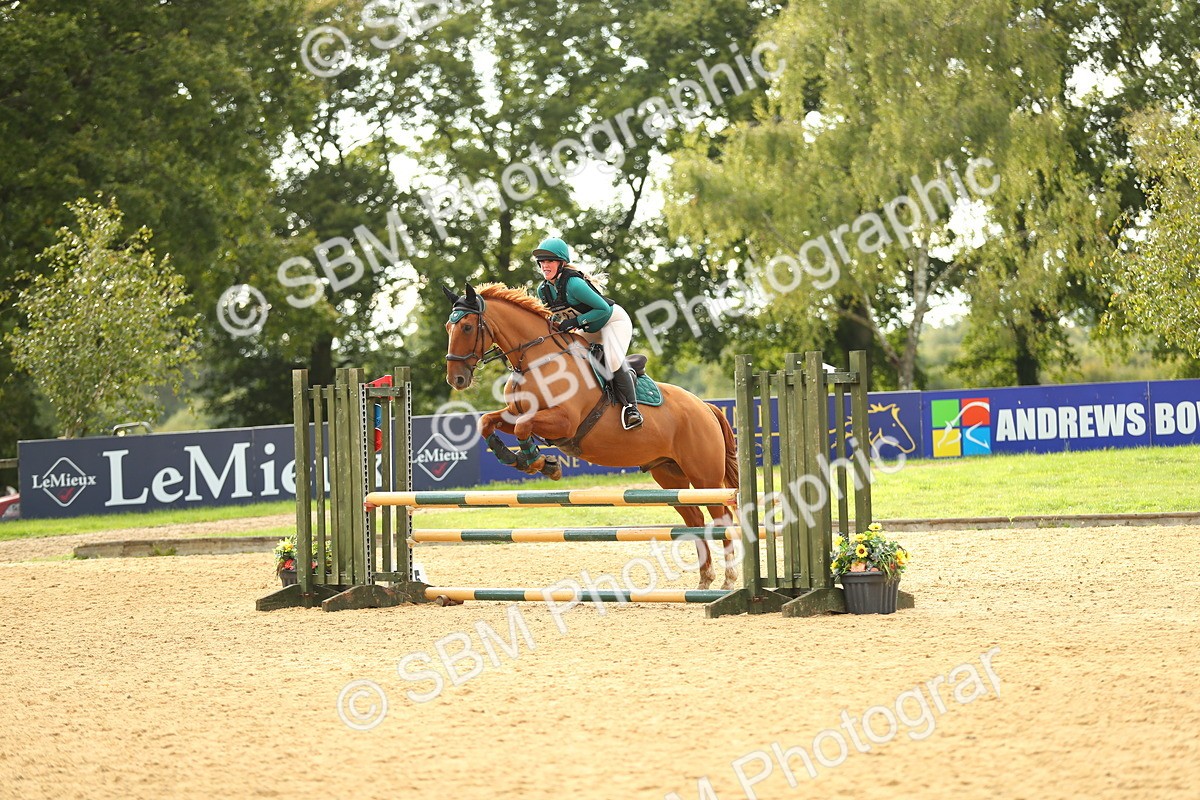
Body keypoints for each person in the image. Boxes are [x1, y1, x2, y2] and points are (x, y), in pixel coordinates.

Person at [532, 237, 643, 430]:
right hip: (589, 328)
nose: (545, 265)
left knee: (613, 360)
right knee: (568, 357)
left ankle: (632, 409)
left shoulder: (573, 284)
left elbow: (603, 309)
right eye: (542, 262)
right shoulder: (543, 290)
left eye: (549, 261)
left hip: (613, 321)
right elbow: (552, 317)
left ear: (561, 263)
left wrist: (574, 322)